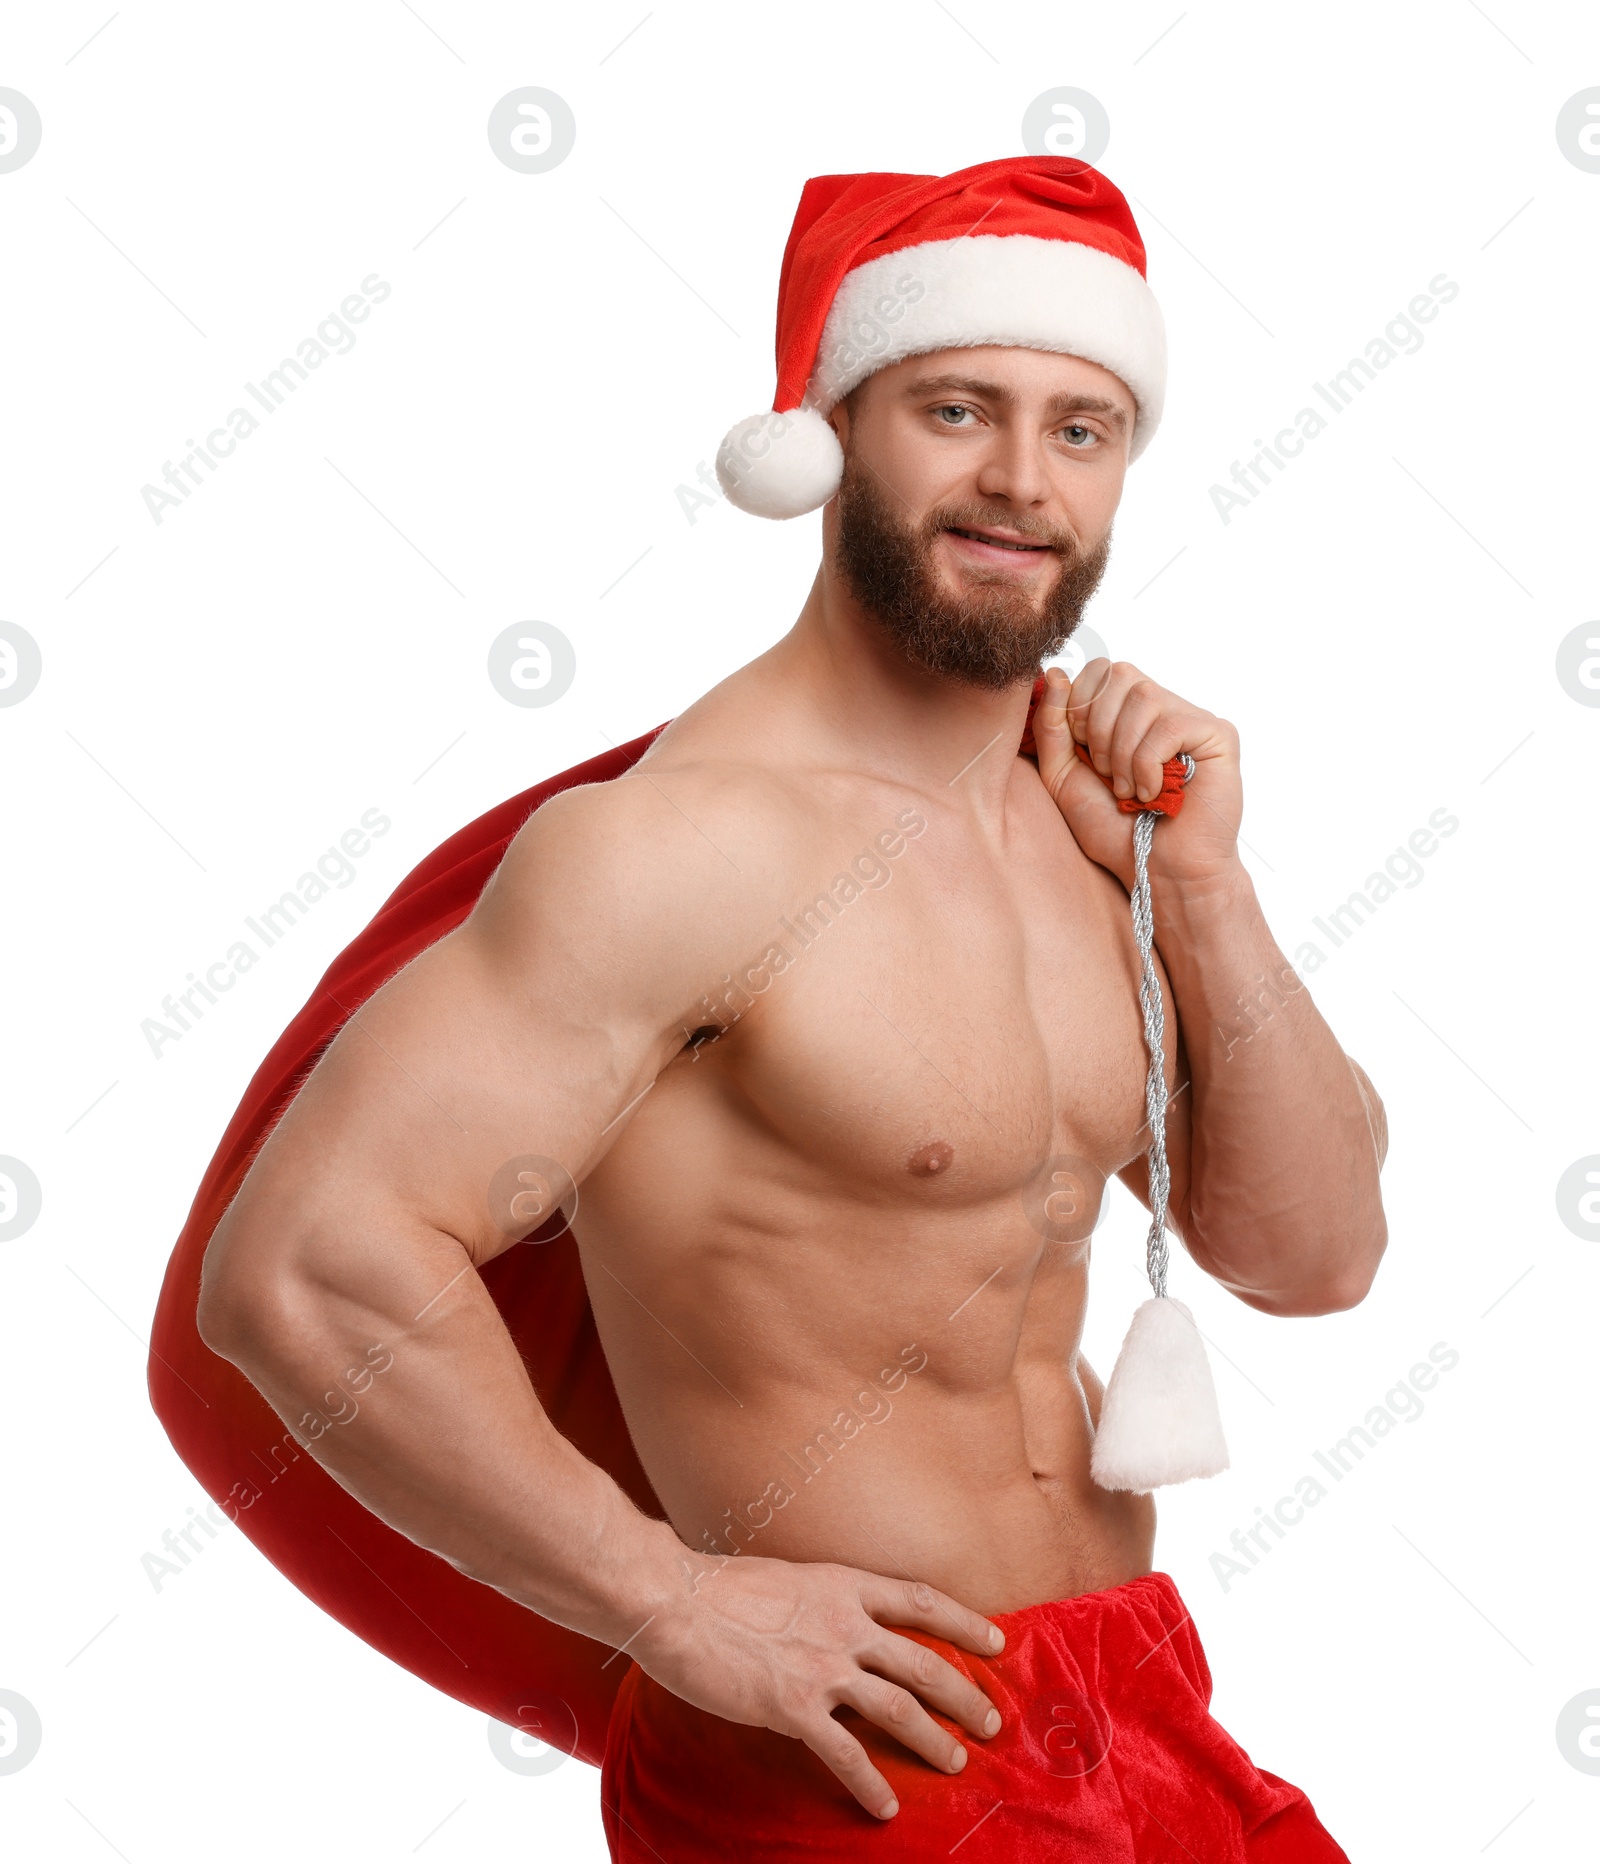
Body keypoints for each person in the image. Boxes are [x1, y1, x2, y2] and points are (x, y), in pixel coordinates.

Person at [192, 156, 1385, 1859]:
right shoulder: (689, 847)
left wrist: (1204, 890)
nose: (1019, 482)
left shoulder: (1093, 830)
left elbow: (1312, 1255)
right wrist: (672, 1606)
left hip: (1136, 1702)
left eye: (1080, 428)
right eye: (956, 409)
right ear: (830, 434)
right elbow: (303, 1270)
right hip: (849, 1766)